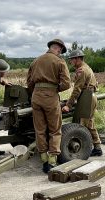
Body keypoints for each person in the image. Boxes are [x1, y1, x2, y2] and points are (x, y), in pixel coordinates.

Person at [27, 39, 71, 173]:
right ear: (58, 48)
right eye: (60, 51)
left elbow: (29, 82)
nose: (60, 53)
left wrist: (36, 92)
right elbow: (67, 83)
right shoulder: (59, 61)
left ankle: (44, 159)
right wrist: (54, 89)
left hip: (36, 96)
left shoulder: (36, 61)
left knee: (40, 129)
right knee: (55, 129)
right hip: (50, 97)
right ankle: (52, 162)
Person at [62, 49, 103, 156]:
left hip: (87, 97)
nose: (70, 62)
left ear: (77, 59)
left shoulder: (82, 70)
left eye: (72, 60)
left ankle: (81, 150)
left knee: (81, 125)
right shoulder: (85, 68)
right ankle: (97, 147)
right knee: (89, 123)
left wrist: (68, 105)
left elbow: (77, 89)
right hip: (89, 96)